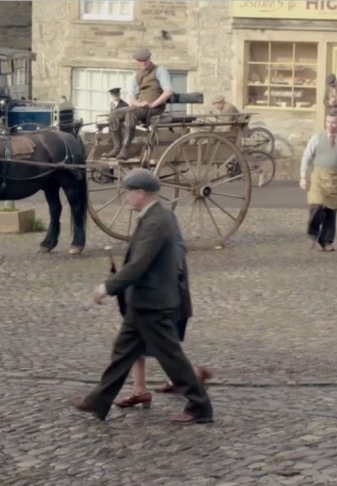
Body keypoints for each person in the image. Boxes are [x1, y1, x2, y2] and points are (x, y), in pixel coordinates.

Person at [72, 169, 213, 425]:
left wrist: (107, 287)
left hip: (154, 303)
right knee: (122, 353)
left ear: (140, 194)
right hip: (144, 302)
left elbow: (139, 264)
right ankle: (98, 401)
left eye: (128, 192)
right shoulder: (158, 215)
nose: (126, 198)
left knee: (172, 359)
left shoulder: (156, 221)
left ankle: (200, 407)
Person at [113, 219, 212, 409]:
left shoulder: (163, 221)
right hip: (148, 297)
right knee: (138, 340)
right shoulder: (148, 220)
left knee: (162, 346)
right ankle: (139, 389)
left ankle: (193, 376)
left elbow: (174, 256)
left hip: (165, 300)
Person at [300, 110, 337, 252]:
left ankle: (326, 241)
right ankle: (312, 234)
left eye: (333, 122)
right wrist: (303, 176)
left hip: (335, 178)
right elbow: (307, 156)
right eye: (328, 122)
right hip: (318, 177)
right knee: (316, 206)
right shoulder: (317, 138)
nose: (330, 125)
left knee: (331, 211)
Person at [102, 48, 173, 160]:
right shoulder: (137, 76)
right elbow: (132, 99)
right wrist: (139, 104)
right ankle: (117, 147)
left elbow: (168, 92)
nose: (143, 63)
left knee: (131, 114)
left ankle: (125, 149)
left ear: (149, 58)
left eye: (145, 60)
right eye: (141, 61)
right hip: (141, 107)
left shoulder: (160, 71)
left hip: (156, 108)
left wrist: (153, 104)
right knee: (114, 115)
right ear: (137, 61)